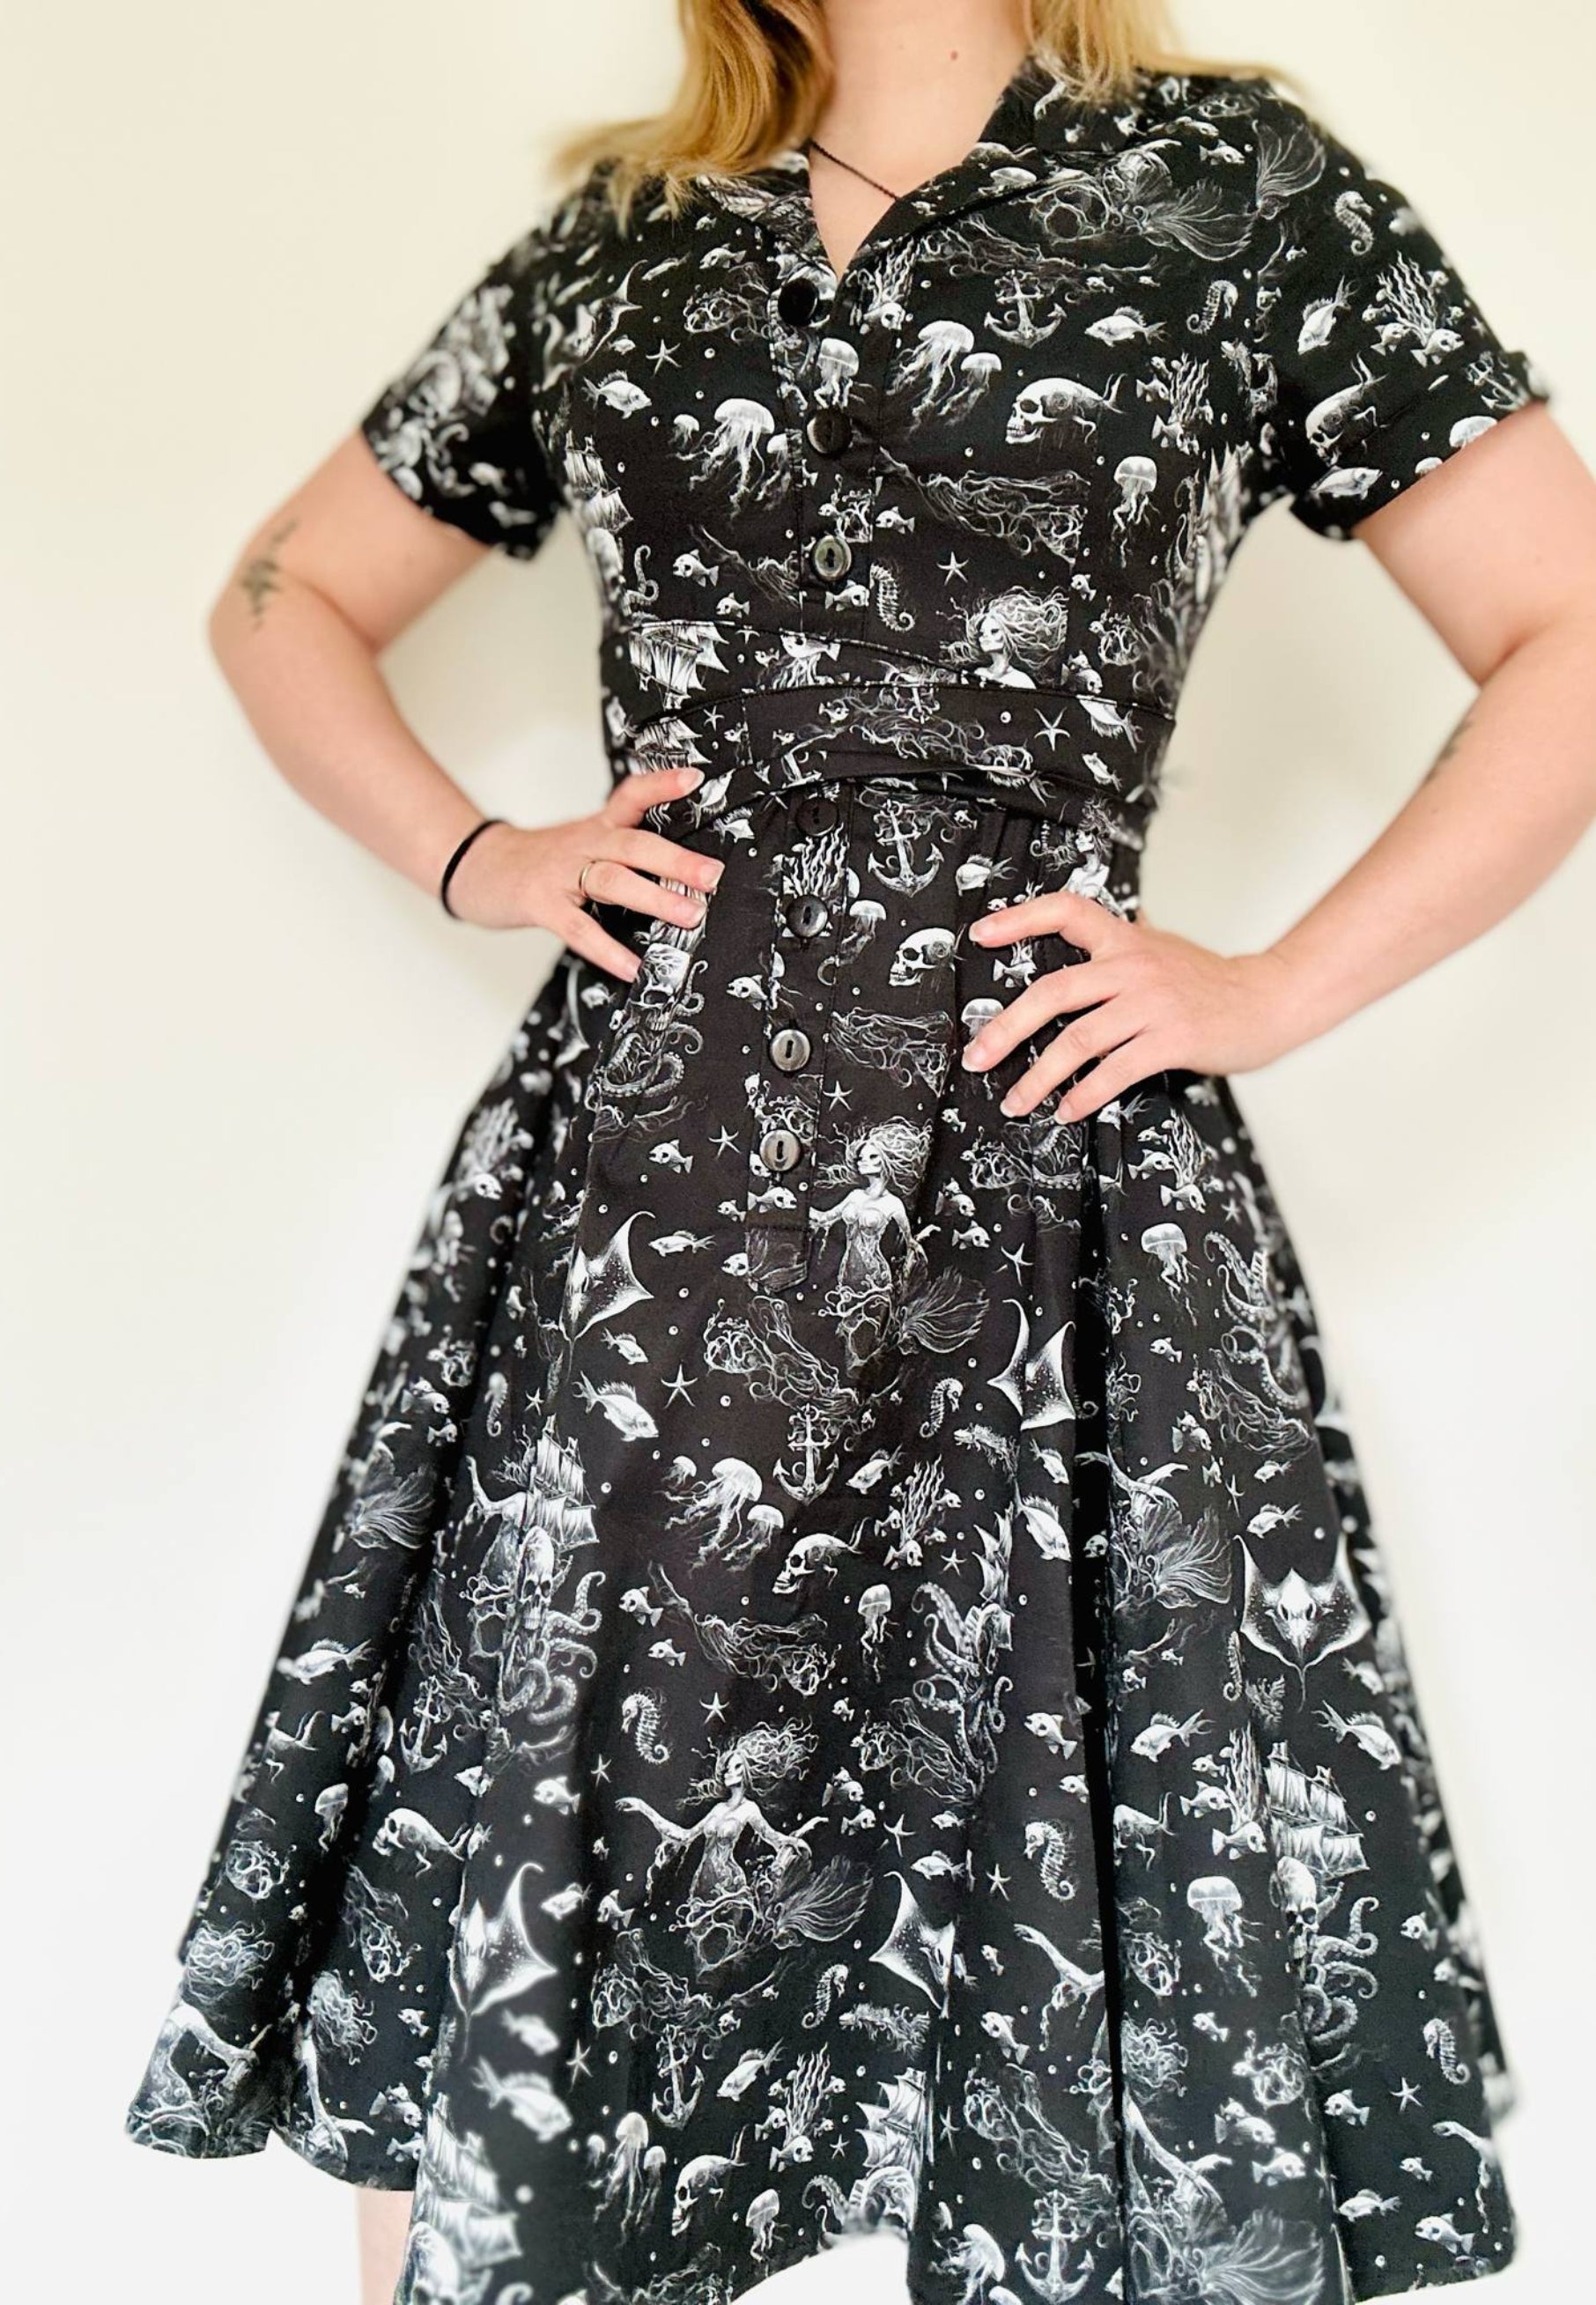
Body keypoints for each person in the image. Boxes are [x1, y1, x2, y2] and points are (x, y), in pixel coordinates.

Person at [124, 4, 1596, 2302]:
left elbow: (1566, 619)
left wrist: (1271, 982)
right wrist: (477, 854)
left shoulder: (1230, 194)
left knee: (1082, 1916)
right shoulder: (621, 235)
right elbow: (277, 589)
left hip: (1047, 1194)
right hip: (647, 1201)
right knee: (544, 1868)